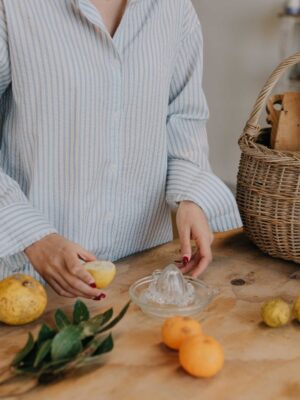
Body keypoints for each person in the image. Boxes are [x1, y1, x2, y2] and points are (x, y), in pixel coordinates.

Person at [0, 0, 242, 300]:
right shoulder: (13, 8)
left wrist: (190, 197)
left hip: (141, 279)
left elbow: (183, 116)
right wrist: (33, 237)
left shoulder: (173, 8)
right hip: (27, 284)